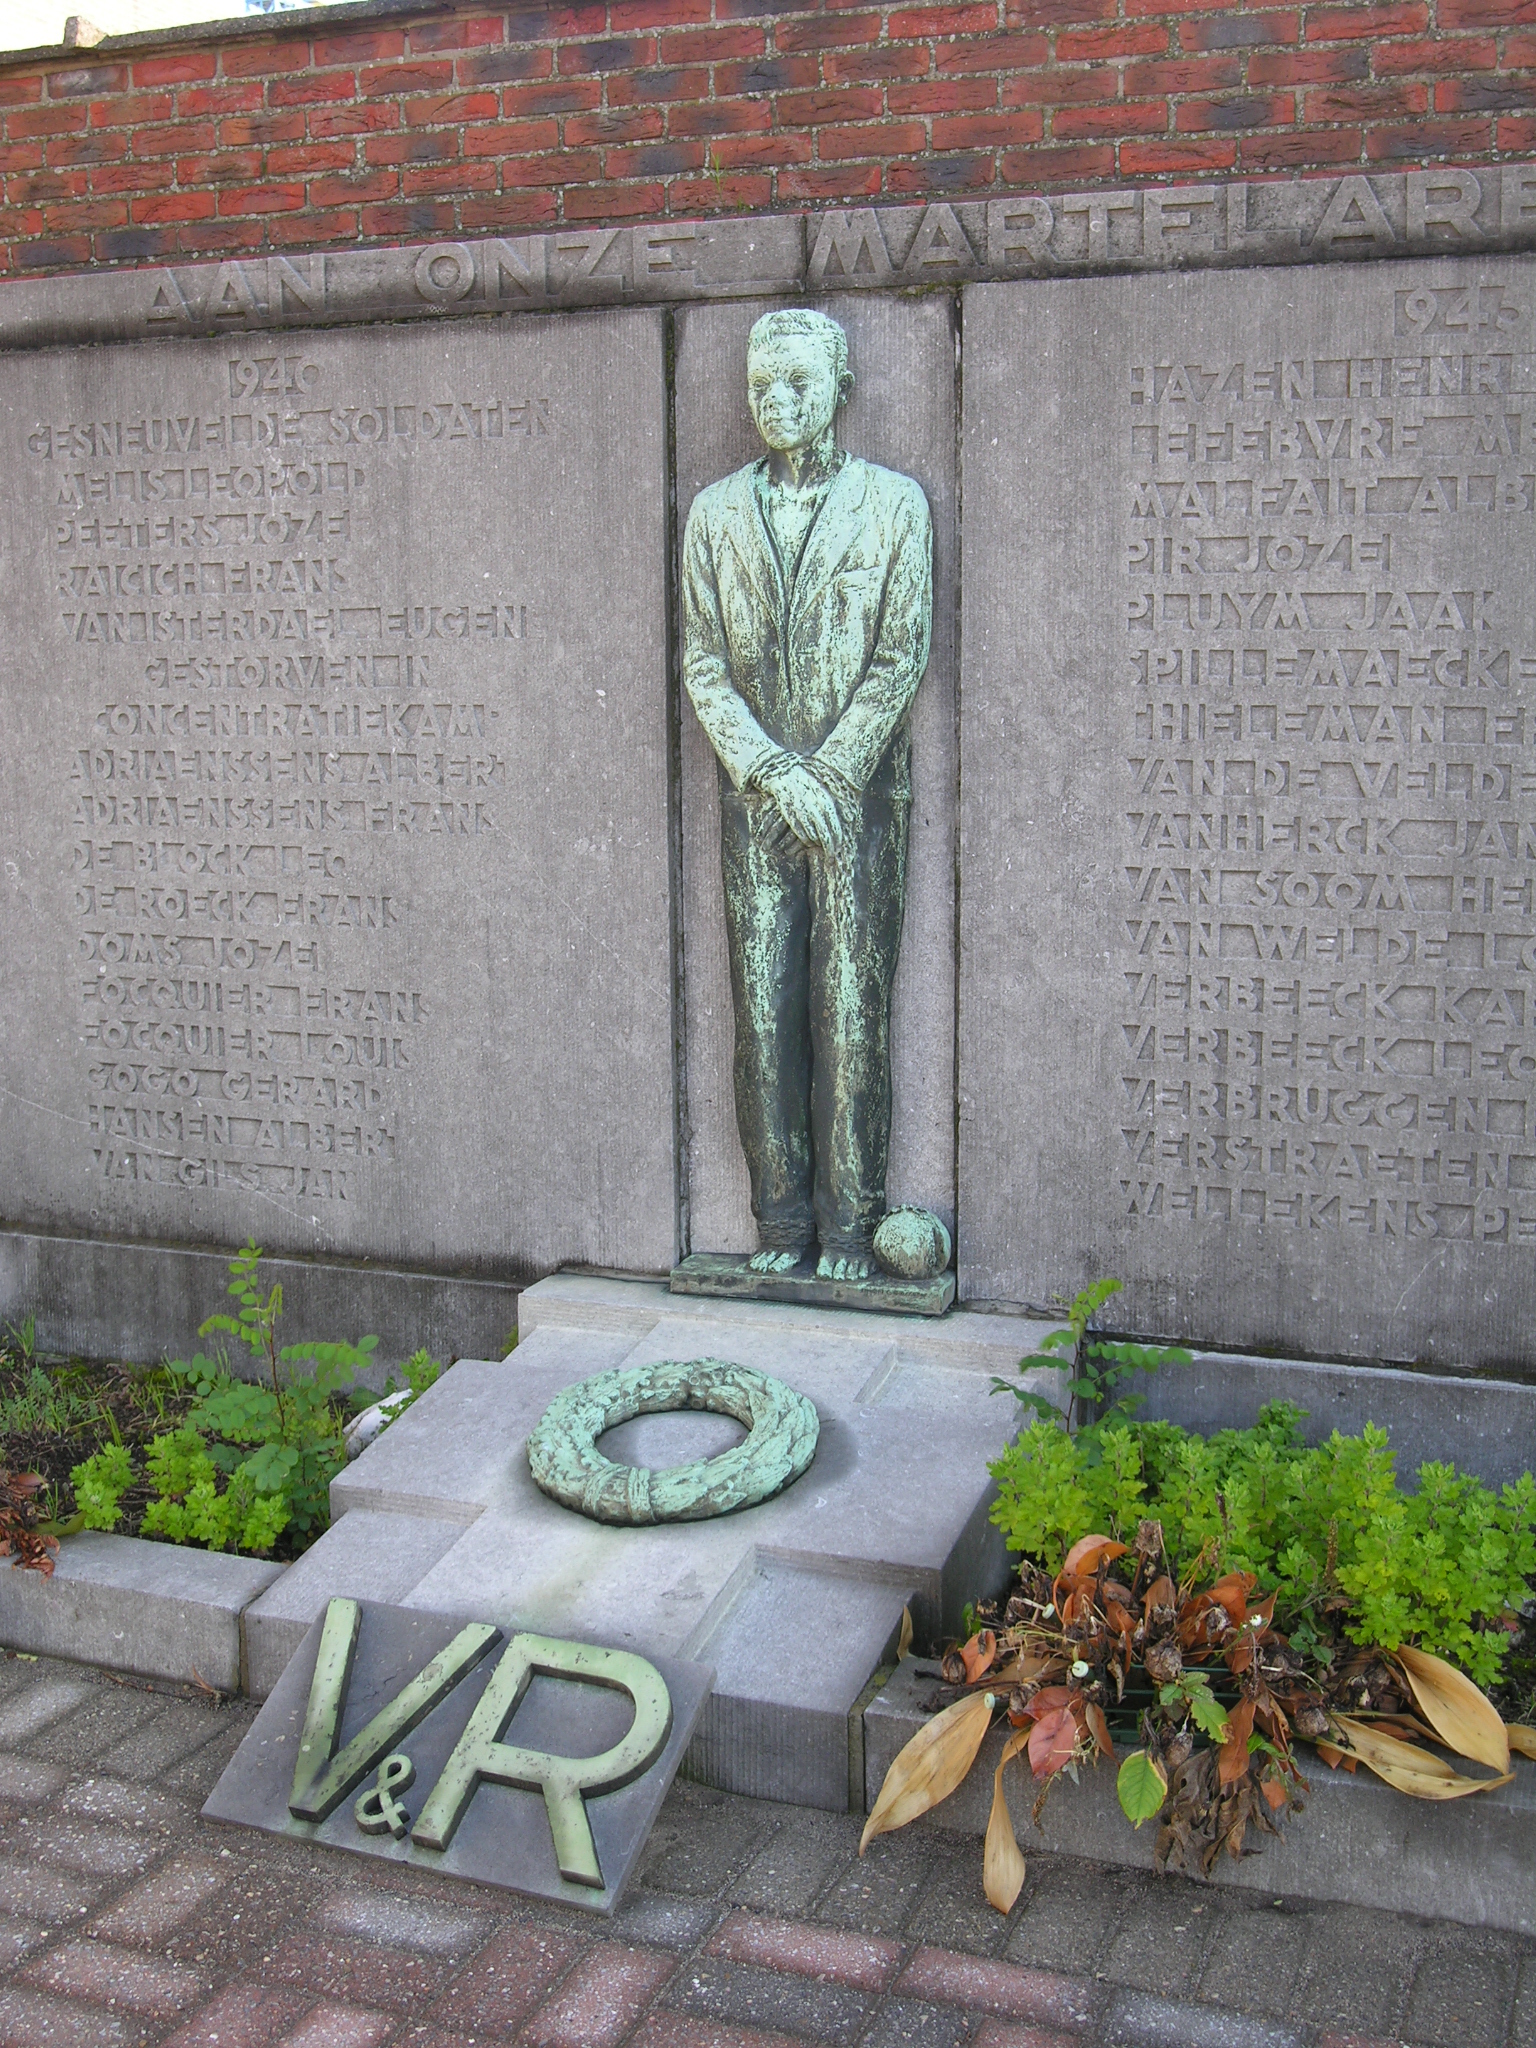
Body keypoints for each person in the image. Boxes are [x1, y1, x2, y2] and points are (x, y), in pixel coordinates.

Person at [682, 308, 933, 1283]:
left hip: (858, 806)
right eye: (761, 385)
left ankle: (851, 1225)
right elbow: (705, 664)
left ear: (842, 388)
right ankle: (781, 1219)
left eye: (797, 383)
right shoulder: (715, 514)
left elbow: (899, 653)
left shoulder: (894, 505)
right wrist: (775, 771)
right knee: (764, 1016)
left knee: (851, 1011)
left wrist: (830, 773)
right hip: (757, 805)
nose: (777, 402)